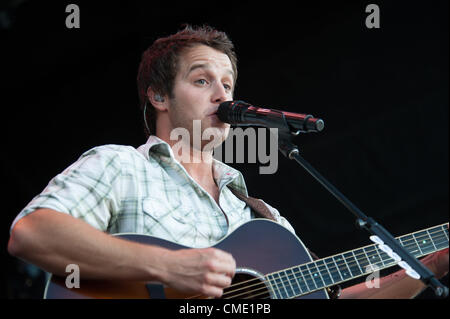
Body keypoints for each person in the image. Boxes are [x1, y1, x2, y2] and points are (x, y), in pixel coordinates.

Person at [8, 25, 448, 299]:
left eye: (227, 83)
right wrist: (169, 267)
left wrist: (430, 266)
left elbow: (336, 299)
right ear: (159, 96)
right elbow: (32, 233)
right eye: (202, 80)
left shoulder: (262, 218)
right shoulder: (121, 167)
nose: (223, 95)